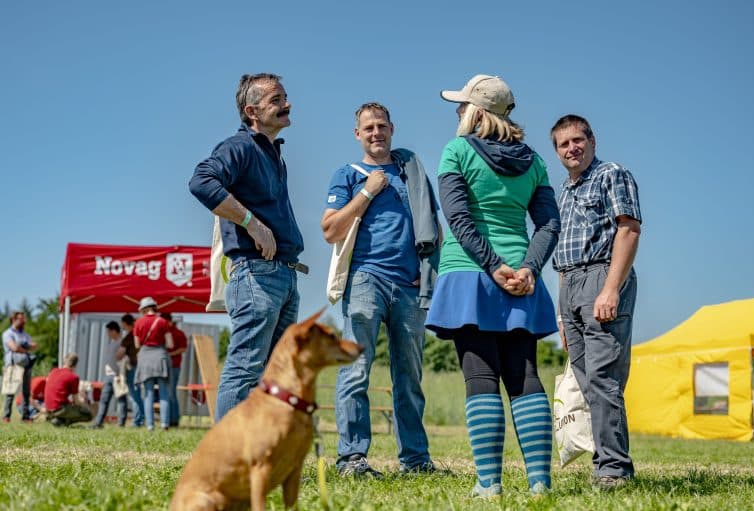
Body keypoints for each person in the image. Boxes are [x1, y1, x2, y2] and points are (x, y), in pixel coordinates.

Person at [425, 75, 561, 497]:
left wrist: (491, 266)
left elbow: (457, 218)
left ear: (477, 112)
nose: (457, 111)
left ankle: (489, 484)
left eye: (463, 104)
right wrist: (528, 268)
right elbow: (549, 223)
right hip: (521, 276)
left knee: (480, 375)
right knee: (524, 375)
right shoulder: (535, 162)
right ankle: (540, 483)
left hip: (470, 273)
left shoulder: (457, 150)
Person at [321, 102, 441, 477]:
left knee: (410, 378)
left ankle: (416, 460)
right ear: (358, 134)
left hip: (409, 286)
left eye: (381, 126)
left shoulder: (412, 175)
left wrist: (429, 270)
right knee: (356, 371)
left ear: (392, 129)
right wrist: (368, 193)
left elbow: (434, 228)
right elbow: (330, 230)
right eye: (368, 128)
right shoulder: (348, 175)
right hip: (364, 280)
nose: (376, 133)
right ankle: (352, 459)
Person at [189, 73, 305, 423]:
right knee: (245, 368)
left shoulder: (272, 154)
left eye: (285, 97)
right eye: (277, 100)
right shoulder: (239, 147)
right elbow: (201, 181)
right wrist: (250, 223)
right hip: (257, 275)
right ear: (251, 111)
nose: (287, 104)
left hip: (283, 276)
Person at [550, 114, 642, 489]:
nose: (572, 148)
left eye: (578, 140)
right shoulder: (565, 190)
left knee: (604, 378)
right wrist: (560, 314)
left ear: (592, 140)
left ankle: (614, 470)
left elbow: (629, 228)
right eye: (563, 144)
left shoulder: (611, 174)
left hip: (600, 276)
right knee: (587, 380)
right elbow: (560, 249)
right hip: (568, 283)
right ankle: (605, 461)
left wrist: (611, 288)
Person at [132, 297, 173, 431]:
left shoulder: (138, 323)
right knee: (163, 393)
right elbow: (170, 344)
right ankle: (164, 424)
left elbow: (137, 344)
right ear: (154, 307)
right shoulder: (162, 322)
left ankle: (150, 425)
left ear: (143, 309)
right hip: (160, 357)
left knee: (148, 393)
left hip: (145, 358)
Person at [91, 321, 128, 428]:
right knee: (104, 400)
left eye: (109, 331)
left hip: (117, 375)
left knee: (121, 399)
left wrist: (119, 374)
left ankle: (121, 423)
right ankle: (98, 422)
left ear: (114, 331)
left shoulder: (121, 343)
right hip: (108, 375)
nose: (107, 333)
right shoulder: (112, 342)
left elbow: (121, 359)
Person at [3, 311, 38, 422]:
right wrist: (25, 348)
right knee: (11, 390)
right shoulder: (8, 333)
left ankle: (26, 416)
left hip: (26, 365)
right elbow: (13, 348)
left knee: (26, 392)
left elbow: (34, 346)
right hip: (14, 364)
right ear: (14, 320)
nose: (24, 321)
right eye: (21, 319)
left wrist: (23, 347)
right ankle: (6, 416)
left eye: (24, 319)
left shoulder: (24, 334)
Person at [45, 353, 92, 427]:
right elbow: (76, 401)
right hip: (59, 409)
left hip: (47, 408)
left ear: (64, 361)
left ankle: (54, 418)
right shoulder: (73, 377)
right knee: (88, 415)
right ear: (76, 365)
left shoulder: (53, 371)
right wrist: (86, 406)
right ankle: (61, 421)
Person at [161, 313, 188, 427]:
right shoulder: (164, 333)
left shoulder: (178, 333)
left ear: (169, 321)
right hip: (165, 366)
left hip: (173, 366)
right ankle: (169, 419)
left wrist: (170, 354)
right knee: (168, 393)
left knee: (171, 393)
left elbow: (183, 348)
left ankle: (174, 420)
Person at [120, 313, 144, 427]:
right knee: (137, 394)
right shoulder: (138, 334)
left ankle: (138, 420)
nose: (122, 326)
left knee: (135, 395)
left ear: (125, 323)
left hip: (134, 367)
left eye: (122, 324)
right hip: (140, 367)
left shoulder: (130, 336)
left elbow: (120, 353)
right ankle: (140, 419)